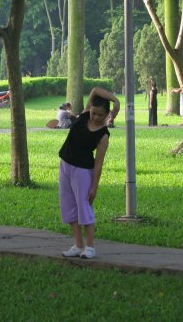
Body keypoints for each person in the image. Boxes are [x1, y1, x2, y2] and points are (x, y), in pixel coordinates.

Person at [58, 86, 119, 260]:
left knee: (84, 209)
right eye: (94, 113)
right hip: (65, 165)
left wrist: (94, 187)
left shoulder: (103, 136)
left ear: (107, 114)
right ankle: (78, 245)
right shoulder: (84, 115)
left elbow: (98, 164)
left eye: (100, 115)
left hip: (83, 171)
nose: (96, 117)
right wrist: (116, 101)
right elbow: (94, 90)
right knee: (68, 207)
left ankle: (90, 247)